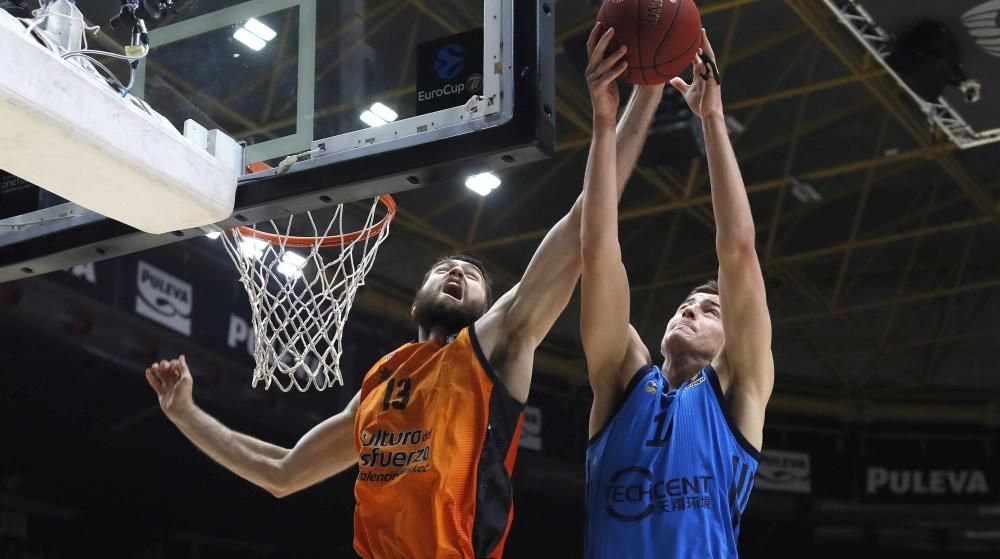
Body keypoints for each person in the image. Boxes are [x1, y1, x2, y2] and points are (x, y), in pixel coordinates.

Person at [144, 23, 663, 559]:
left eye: (472, 275)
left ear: (487, 306)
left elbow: (585, 227)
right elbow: (283, 472)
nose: (457, 274)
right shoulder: (381, 381)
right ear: (416, 301)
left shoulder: (498, 346)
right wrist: (185, 412)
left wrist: (639, 98)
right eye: (444, 270)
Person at [581, 29, 774, 558]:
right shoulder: (621, 379)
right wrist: (603, 123)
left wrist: (711, 119)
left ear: (731, 335)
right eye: (685, 305)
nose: (690, 309)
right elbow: (596, 252)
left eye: (710, 309)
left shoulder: (740, 387)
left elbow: (738, 250)